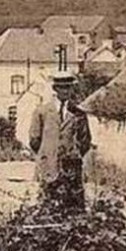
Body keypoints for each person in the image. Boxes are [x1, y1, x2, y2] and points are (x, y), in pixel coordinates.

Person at [27, 71, 92, 213]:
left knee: (73, 209)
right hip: (49, 168)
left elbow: (85, 140)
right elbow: (34, 140)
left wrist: (72, 155)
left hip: (72, 169)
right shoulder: (42, 112)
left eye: (68, 87)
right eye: (62, 87)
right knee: (48, 208)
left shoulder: (79, 114)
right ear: (55, 89)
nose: (65, 91)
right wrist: (48, 154)